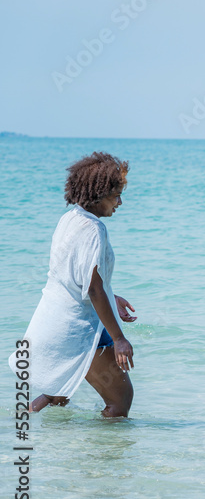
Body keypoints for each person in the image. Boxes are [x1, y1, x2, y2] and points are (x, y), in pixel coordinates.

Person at [9, 152, 137, 417]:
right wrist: (119, 339)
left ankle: (17, 423)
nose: (121, 202)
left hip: (57, 321)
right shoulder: (94, 230)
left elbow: (71, 277)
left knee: (59, 392)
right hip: (80, 328)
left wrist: (112, 297)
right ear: (98, 195)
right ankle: (102, 456)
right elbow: (91, 288)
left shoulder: (70, 219)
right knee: (120, 402)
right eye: (116, 196)